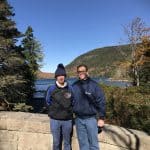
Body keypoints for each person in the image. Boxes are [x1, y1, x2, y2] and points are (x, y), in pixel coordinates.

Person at [72, 64, 106, 150]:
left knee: (93, 145)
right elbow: (70, 100)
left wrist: (101, 118)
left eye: (83, 71)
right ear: (77, 73)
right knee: (83, 145)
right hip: (78, 119)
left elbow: (101, 102)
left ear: (87, 72)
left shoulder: (94, 85)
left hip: (91, 119)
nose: (81, 73)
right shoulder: (74, 86)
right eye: (79, 71)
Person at [46, 64, 73, 150]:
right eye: (58, 75)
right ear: (56, 77)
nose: (61, 77)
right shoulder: (51, 88)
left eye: (62, 75)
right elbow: (47, 101)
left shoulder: (70, 88)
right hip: (55, 120)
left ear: (65, 76)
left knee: (67, 143)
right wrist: (53, 111)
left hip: (67, 120)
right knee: (56, 143)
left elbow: (74, 100)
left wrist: (69, 110)